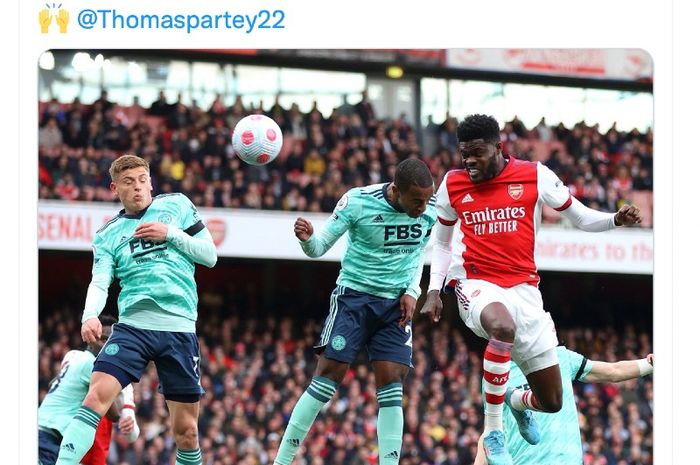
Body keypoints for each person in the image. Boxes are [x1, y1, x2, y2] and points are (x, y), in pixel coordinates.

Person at [419, 114, 642, 465]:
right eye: (464, 154)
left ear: (498, 147)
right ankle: (494, 431)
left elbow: (580, 217)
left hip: (524, 291)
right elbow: (443, 244)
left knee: (552, 401)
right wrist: (434, 289)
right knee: (501, 326)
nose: (470, 161)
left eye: (477, 152)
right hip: (474, 282)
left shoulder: (534, 175)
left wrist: (615, 220)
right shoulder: (452, 184)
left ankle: (517, 401)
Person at [54, 154, 218, 465]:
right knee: (94, 399)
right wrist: (90, 315)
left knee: (187, 433)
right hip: (132, 327)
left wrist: (170, 234)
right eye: (129, 183)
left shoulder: (178, 205)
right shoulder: (108, 234)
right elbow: (100, 281)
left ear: (151, 181)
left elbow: (210, 255)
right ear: (115, 188)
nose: (138, 188)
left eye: (143, 180)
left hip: (179, 328)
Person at [273, 158, 437, 465]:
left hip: (395, 306)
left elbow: (418, 254)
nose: (422, 207)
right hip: (354, 299)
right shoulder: (357, 202)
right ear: (395, 190)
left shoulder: (431, 210)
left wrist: (412, 292)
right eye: (416, 201)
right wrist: (307, 239)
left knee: (392, 382)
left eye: (427, 199)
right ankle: (282, 460)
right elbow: (319, 247)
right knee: (327, 377)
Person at [472, 348, 654, 465]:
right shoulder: (496, 372)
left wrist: (649, 365)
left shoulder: (561, 357)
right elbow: (491, 430)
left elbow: (614, 372)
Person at [38, 315, 140, 465]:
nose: (107, 346)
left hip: (46, 432)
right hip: (50, 438)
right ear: (90, 338)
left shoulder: (73, 357)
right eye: (103, 339)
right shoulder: (93, 366)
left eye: (110, 341)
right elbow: (114, 414)